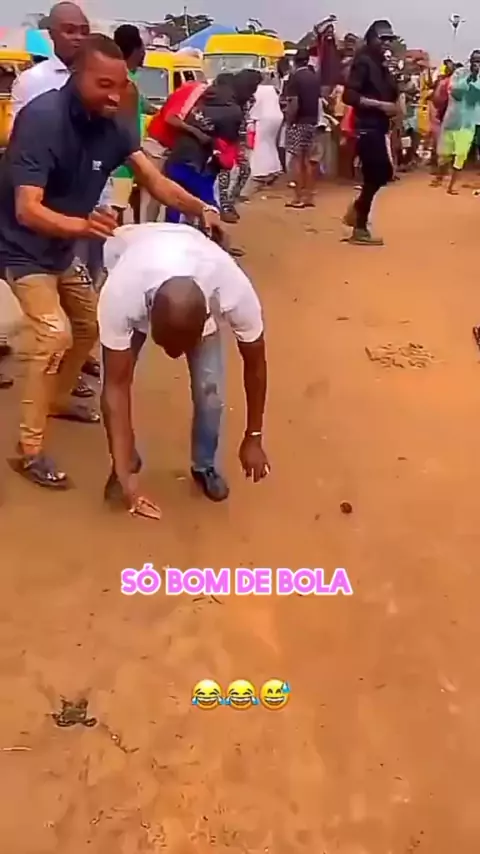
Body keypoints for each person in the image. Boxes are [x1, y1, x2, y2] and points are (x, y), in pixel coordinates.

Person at [0, 34, 224, 490]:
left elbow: (153, 180)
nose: (116, 96)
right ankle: (28, 450)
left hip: (62, 247)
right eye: (104, 85)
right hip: (20, 247)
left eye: (121, 85)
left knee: (89, 325)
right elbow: (27, 209)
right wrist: (83, 226)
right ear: (76, 76)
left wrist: (202, 208)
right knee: (55, 335)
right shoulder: (42, 120)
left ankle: (57, 397)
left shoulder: (112, 123)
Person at [98, 223, 269, 519]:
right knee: (118, 374)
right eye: (165, 345)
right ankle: (124, 462)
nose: (173, 356)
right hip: (133, 255)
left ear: (207, 319)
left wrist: (253, 436)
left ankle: (204, 466)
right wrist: (124, 473)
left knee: (210, 393)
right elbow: (115, 386)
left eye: (182, 347)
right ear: (148, 316)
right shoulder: (121, 295)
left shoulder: (232, 289)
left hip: (192, 263)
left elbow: (255, 364)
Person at [11, 1, 100, 396]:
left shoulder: (96, 78)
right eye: (69, 30)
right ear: (51, 34)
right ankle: (54, 375)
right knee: (47, 305)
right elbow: (20, 146)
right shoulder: (33, 82)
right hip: (39, 206)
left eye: (83, 30)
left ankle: (70, 367)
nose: (78, 37)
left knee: (84, 289)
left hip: (83, 202)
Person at [343, 19, 400, 245]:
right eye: (382, 39)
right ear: (371, 39)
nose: (386, 43)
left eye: (389, 39)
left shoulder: (383, 65)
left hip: (380, 126)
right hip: (366, 126)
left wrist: (393, 74)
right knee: (376, 174)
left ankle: (358, 212)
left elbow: (393, 94)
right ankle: (359, 227)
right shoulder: (363, 62)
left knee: (383, 173)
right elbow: (349, 96)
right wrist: (380, 105)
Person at [163, 75, 244, 224]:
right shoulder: (231, 111)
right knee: (206, 201)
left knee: (176, 201)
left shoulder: (199, 103)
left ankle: (173, 230)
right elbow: (228, 139)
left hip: (179, 156)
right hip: (199, 163)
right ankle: (212, 232)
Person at [217, 69, 262, 223]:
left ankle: (229, 202)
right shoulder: (232, 97)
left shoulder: (248, 99)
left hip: (237, 138)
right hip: (225, 137)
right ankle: (223, 207)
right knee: (224, 173)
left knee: (244, 170)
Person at [432, 51, 480, 194]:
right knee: (444, 154)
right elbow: (454, 91)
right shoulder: (460, 73)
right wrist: (470, 79)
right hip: (453, 120)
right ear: (470, 61)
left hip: (469, 122)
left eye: (479, 61)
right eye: (475, 60)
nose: (477, 64)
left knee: (461, 154)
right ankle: (440, 176)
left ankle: (452, 186)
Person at [284, 49, 322, 208]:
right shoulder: (314, 77)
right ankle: (309, 196)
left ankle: (298, 197)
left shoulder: (295, 78)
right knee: (309, 161)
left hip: (298, 122)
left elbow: (294, 103)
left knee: (297, 160)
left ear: (295, 61)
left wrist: (289, 121)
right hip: (312, 122)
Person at [249, 75, 283, 183]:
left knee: (261, 143)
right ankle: (275, 167)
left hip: (264, 117)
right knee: (271, 143)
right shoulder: (272, 89)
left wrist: (251, 118)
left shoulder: (257, 90)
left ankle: (262, 170)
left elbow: (255, 106)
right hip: (277, 117)